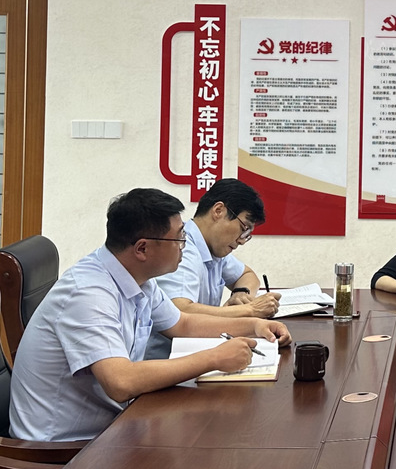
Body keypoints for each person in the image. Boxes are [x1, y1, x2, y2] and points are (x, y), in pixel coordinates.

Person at [9, 188, 293, 442]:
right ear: (142, 248)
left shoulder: (138, 278)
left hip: (112, 428)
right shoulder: (88, 293)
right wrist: (214, 358)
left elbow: (183, 323)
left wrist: (254, 325)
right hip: (64, 449)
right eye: (179, 238)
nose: (185, 245)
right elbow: (121, 382)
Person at [144, 178, 281, 360]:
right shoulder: (183, 250)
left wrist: (240, 293)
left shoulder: (214, 248)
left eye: (247, 234)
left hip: (199, 352)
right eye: (244, 228)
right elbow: (180, 312)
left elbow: (247, 275)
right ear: (218, 211)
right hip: (167, 361)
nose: (242, 240)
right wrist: (250, 310)